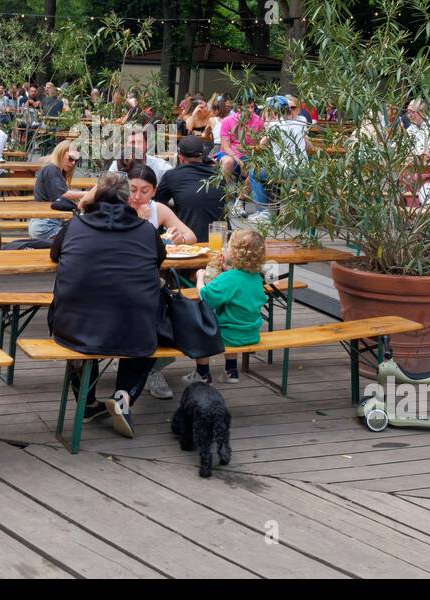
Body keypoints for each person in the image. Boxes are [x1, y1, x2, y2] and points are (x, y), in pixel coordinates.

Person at [48, 171, 165, 437]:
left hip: (72, 327)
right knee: (148, 324)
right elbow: (159, 259)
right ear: (127, 200)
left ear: (95, 195)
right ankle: (123, 396)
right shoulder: (146, 230)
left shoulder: (75, 226)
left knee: (91, 321)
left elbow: (54, 254)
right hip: (134, 330)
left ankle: (88, 403)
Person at [189, 228, 268, 385]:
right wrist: (227, 271)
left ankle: (202, 375)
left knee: (200, 332)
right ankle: (231, 371)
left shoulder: (230, 278)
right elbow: (240, 287)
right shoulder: (256, 277)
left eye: (229, 246)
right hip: (251, 333)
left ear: (235, 253)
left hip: (230, 336)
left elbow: (205, 296)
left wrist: (200, 277)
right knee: (232, 323)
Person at [155, 135, 227, 242]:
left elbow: (155, 204)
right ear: (202, 156)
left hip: (190, 242)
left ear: (181, 158)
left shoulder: (172, 176)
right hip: (221, 240)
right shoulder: (218, 175)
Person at [30, 140, 86, 241]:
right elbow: (62, 194)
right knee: (81, 238)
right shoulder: (51, 169)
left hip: (45, 223)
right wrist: (88, 194)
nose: (73, 163)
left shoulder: (55, 170)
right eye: (70, 158)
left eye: (76, 161)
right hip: (45, 226)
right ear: (61, 153)